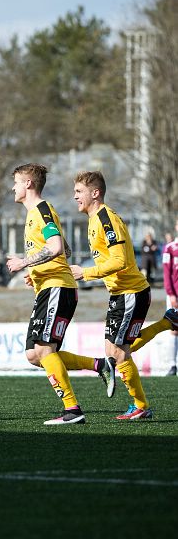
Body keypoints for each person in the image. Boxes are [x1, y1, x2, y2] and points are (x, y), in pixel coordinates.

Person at [69, 171, 178, 420]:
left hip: (130, 292)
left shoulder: (106, 219)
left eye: (78, 192)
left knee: (118, 353)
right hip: (121, 293)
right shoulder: (93, 219)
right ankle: (166, 323)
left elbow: (119, 260)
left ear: (95, 193)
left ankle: (140, 406)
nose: (74, 197)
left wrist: (86, 273)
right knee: (116, 352)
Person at [5, 163, 100, 425]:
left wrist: (25, 262)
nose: (13, 187)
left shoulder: (41, 210)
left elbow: (57, 247)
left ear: (29, 185)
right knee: (34, 355)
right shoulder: (36, 214)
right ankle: (99, 366)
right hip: (50, 286)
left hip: (57, 288)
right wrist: (36, 270)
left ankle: (73, 410)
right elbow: (66, 249)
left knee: (44, 349)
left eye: (16, 182)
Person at [161, 229, 178, 375]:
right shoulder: (170, 248)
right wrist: (171, 294)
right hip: (175, 296)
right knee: (174, 329)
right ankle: (172, 365)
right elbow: (166, 273)